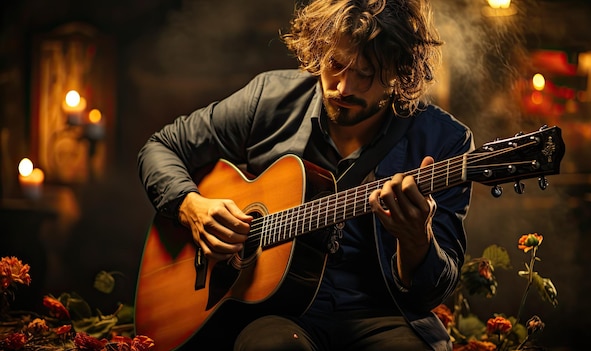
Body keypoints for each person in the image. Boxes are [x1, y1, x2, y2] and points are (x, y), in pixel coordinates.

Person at [137, 0, 474, 350]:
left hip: (382, 315)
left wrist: (416, 239)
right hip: (276, 315)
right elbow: (161, 147)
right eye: (336, 64)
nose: (343, 88)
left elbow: (434, 289)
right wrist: (191, 207)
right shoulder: (270, 98)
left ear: (400, 73)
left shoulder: (445, 141)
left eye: (365, 74)